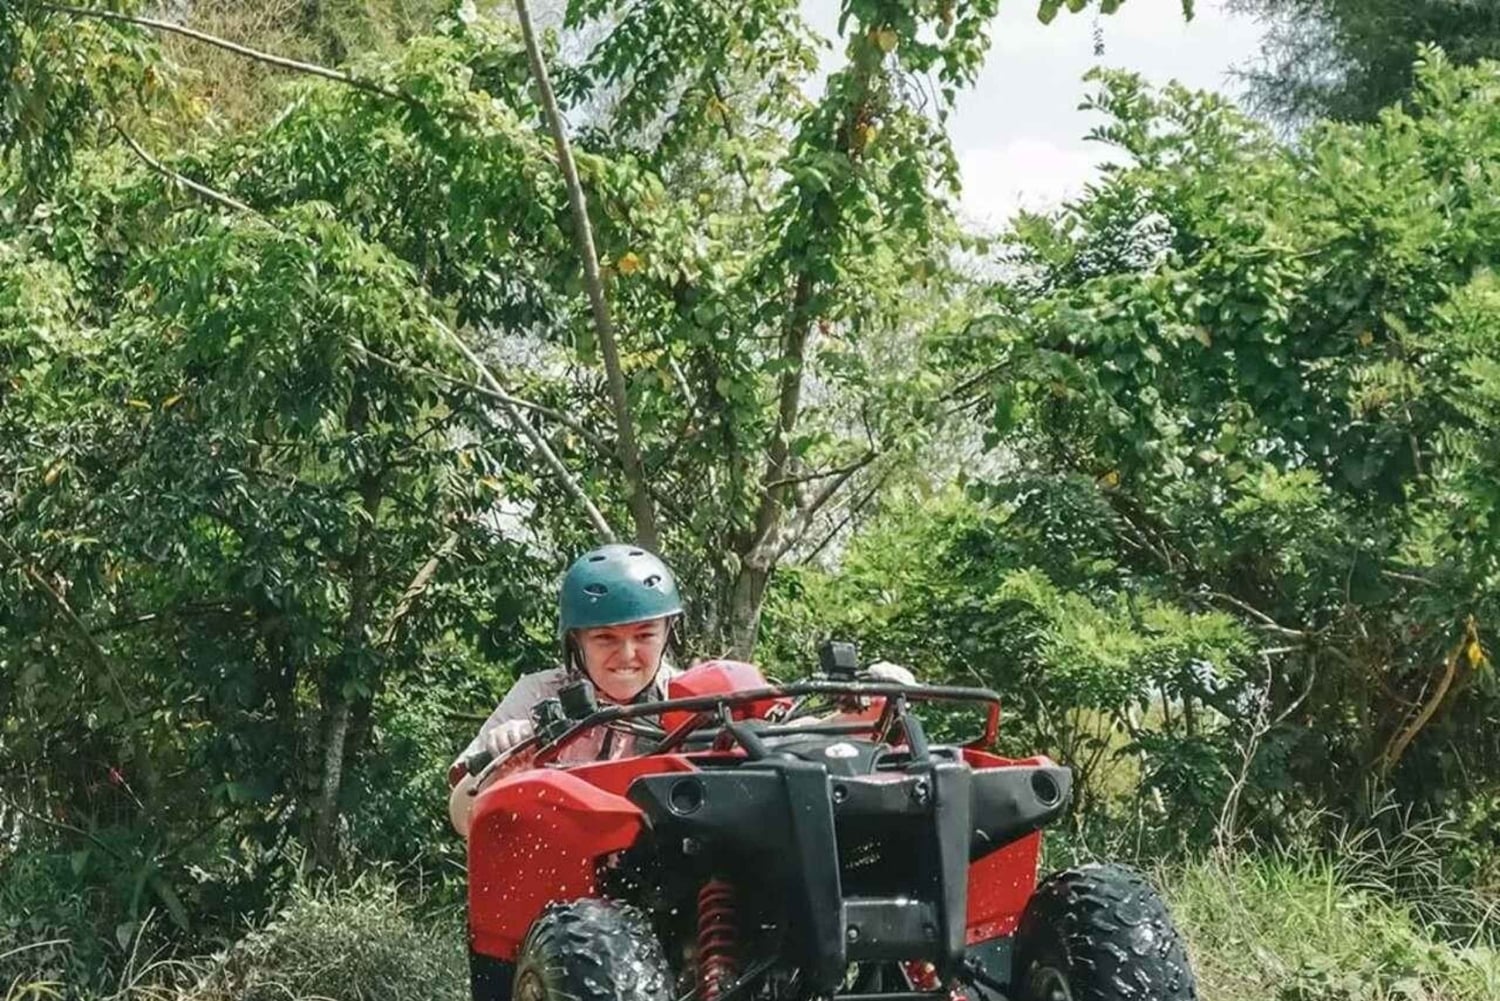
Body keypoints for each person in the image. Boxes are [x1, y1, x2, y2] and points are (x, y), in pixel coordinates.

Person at [448, 543, 914, 834]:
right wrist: (505, 760)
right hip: (567, 891)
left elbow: (791, 735)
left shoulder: (698, 694)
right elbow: (462, 815)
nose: (627, 654)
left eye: (645, 636)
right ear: (577, 641)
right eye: (606, 638)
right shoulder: (538, 695)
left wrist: (868, 705)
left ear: (667, 634)